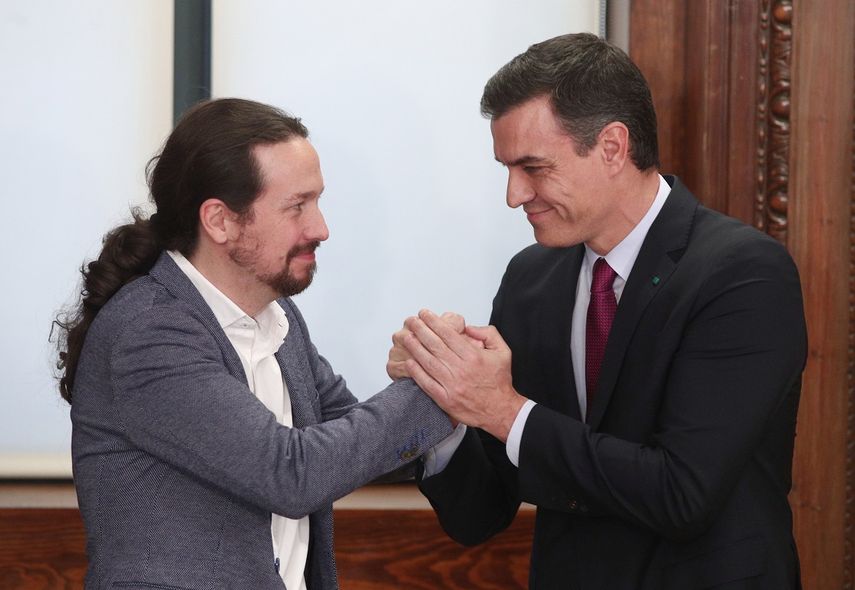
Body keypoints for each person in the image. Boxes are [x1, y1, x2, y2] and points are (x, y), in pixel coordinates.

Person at [389, 33, 807, 589]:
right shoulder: (530, 278)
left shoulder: (744, 275)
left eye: (533, 167)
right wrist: (443, 403)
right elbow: (479, 515)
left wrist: (503, 409)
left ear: (612, 147)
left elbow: (682, 495)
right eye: (506, 168)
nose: (514, 195)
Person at [54, 98, 452, 590]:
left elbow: (354, 442)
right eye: (296, 207)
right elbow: (291, 473)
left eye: (318, 202)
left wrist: (444, 373)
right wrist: (440, 387)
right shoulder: (148, 332)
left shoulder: (280, 317)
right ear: (220, 221)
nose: (320, 229)